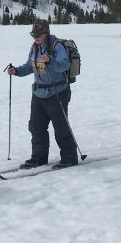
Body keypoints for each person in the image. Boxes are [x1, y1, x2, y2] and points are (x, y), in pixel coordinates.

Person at [6, 19, 76, 169]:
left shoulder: (56, 46)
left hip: (57, 92)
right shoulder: (34, 47)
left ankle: (70, 157)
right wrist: (16, 71)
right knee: (36, 127)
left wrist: (50, 60)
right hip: (38, 93)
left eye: (38, 34)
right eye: (33, 34)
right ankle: (39, 158)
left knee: (61, 127)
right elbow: (29, 66)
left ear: (46, 33)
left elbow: (65, 64)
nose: (35, 37)